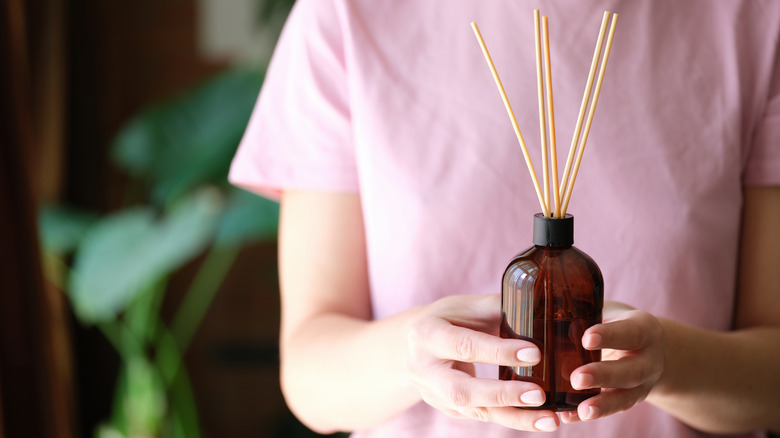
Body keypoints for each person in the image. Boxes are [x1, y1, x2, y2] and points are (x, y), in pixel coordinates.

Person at [229, 0, 780, 436]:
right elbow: (309, 374)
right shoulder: (344, 15)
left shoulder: (754, 18)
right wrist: (412, 356)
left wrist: (667, 361)